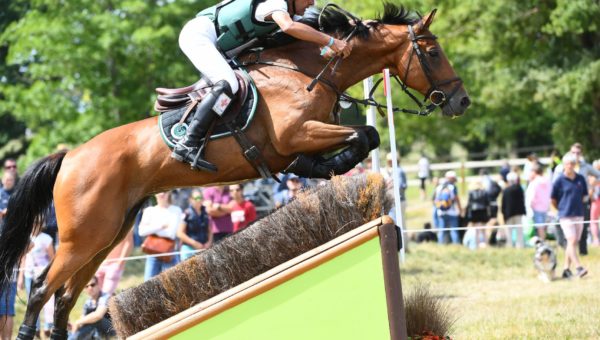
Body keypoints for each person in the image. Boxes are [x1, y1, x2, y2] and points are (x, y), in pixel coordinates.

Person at [172, 0, 352, 171]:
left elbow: (310, 32)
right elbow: (289, 27)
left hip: (223, 50)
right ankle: (188, 142)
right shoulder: (275, 4)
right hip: (200, 36)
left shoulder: (290, 13)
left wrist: (349, 28)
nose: (312, 3)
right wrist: (331, 42)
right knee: (229, 84)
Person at [552, 143, 600, 255]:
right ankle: (566, 249)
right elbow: (555, 185)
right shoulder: (560, 168)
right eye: (573, 152)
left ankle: (583, 252)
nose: (576, 155)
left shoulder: (586, 167)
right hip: (566, 202)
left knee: (583, 228)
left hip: (582, 201)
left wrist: (593, 184)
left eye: (578, 153)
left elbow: (598, 176)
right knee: (560, 226)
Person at [551, 153, 588, 279]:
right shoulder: (559, 180)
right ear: (564, 165)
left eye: (572, 163)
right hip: (565, 215)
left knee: (573, 242)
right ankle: (578, 267)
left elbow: (584, 195)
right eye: (568, 164)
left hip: (579, 213)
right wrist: (561, 209)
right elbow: (553, 199)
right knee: (571, 240)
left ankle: (566, 269)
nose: (570, 166)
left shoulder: (580, 179)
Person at [138, 191, 183, 281]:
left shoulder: (176, 210)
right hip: (152, 252)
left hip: (169, 252)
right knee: (148, 285)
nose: (162, 194)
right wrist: (161, 226)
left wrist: (151, 228)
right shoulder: (149, 210)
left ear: (169, 193)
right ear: (155, 193)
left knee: (173, 283)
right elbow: (141, 231)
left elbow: (171, 233)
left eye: (165, 191)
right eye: (159, 191)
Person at [95, 230, 134, 296]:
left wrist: (120, 262)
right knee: (97, 294)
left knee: (106, 295)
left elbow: (129, 243)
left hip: (114, 264)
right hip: (100, 263)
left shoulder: (124, 223)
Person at [178, 189, 212, 261]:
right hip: (189, 250)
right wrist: (194, 243)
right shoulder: (186, 214)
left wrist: (209, 243)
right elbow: (179, 233)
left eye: (200, 198)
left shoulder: (206, 213)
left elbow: (210, 231)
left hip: (203, 249)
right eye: (196, 198)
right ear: (190, 200)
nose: (198, 200)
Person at [433, 171, 462, 245]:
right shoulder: (453, 187)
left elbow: (435, 200)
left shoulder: (439, 187)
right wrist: (460, 210)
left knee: (442, 230)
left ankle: (440, 245)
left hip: (441, 212)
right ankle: (456, 245)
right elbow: (456, 199)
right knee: (454, 230)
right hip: (452, 212)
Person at [381, 153, 408, 228]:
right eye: (389, 161)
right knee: (399, 222)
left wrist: (388, 185)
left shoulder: (398, 171)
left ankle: (401, 239)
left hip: (398, 200)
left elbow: (399, 186)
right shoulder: (392, 170)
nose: (389, 162)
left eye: (391, 161)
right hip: (395, 200)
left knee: (398, 223)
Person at [525, 164, 551, 240]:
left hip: (536, 208)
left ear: (534, 172)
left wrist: (529, 207)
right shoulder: (547, 181)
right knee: (543, 227)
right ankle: (543, 242)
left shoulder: (534, 183)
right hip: (545, 207)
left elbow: (531, 197)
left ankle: (542, 243)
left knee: (539, 228)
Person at [501, 172, 526, 248]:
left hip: (509, 214)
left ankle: (510, 244)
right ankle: (520, 245)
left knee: (509, 230)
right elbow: (522, 200)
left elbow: (503, 203)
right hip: (519, 213)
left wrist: (503, 212)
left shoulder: (506, 190)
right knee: (519, 230)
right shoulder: (519, 189)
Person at [464, 180, 490, 249]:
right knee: (483, 230)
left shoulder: (471, 192)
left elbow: (469, 203)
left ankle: (477, 245)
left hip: (474, 212)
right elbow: (487, 203)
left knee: (476, 231)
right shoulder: (484, 192)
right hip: (483, 211)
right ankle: (486, 244)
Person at [590, 160, 600, 246]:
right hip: (596, 200)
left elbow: (591, 186)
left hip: (596, 201)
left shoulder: (594, 176)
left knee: (593, 220)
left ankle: (596, 240)